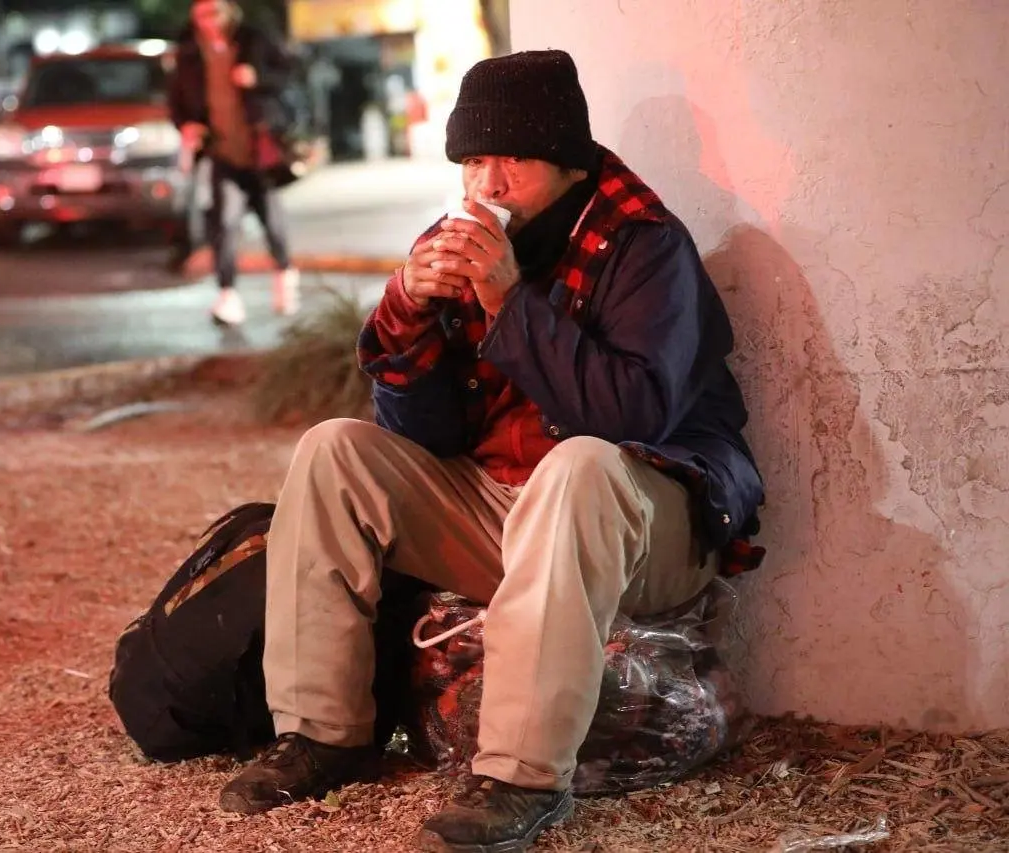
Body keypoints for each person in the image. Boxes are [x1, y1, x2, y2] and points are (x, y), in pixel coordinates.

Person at [217, 50, 766, 852]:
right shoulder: (464, 240)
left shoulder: (646, 247)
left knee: (577, 464)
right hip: (509, 510)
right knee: (335, 451)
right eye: (474, 161)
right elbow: (426, 437)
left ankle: (519, 776)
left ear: (568, 161)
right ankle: (324, 734)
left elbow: (626, 416)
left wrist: (509, 300)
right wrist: (408, 310)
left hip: (648, 521)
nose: (490, 185)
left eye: (511, 159)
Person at [169, 0, 300, 326]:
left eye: (214, 12)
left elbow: (288, 73)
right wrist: (188, 125)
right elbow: (177, 104)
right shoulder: (188, 56)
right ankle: (227, 294)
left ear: (229, 12)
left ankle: (285, 274)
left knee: (272, 219)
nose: (208, 21)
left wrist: (257, 77)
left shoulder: (253, 40)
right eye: (201, 14)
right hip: (220, 152)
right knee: (224, 222)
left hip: (258, 149)